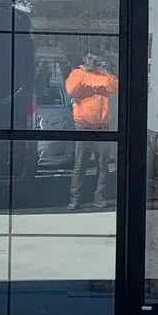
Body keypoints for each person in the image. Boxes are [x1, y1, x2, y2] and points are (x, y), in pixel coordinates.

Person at [64, 51, 118, 209]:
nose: (95, 62)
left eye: (97, 59)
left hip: (102, 127)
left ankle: (99, 196)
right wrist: (86, 72)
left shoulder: (104, 75)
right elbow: (70, 89)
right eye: (92, 59)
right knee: (80, 164)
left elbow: (114, 87)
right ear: (85, 59)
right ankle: (75, 198)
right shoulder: (77, 73)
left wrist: (106, 71)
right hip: (83, 126)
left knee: (103, 164)